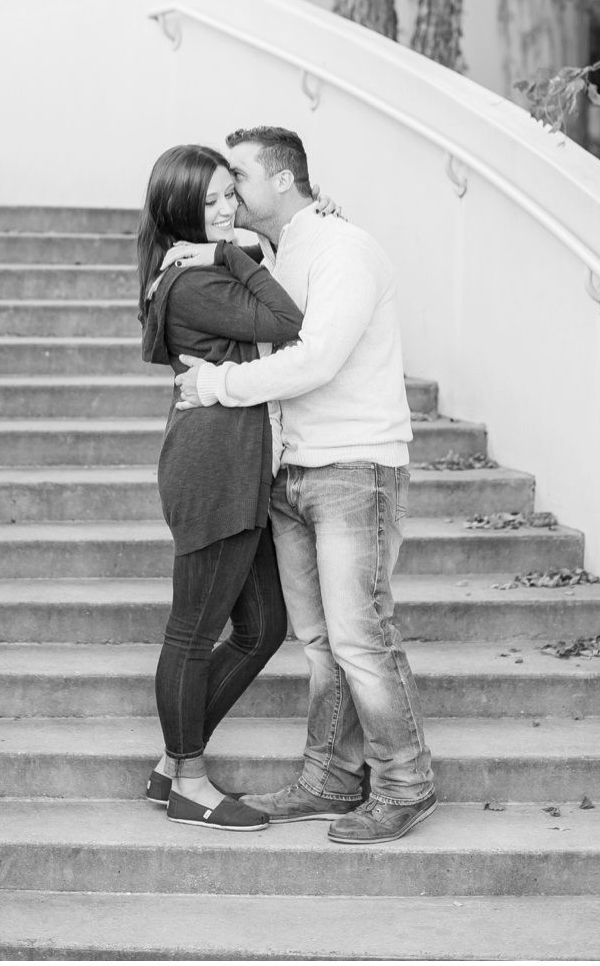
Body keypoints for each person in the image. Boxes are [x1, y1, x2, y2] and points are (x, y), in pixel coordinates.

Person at [173, 126, 435, 846]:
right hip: (292, 472)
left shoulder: (344, 249)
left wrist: (217, 383)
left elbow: (316, 358)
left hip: (354, 469)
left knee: (360, 637)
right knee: (322, 643)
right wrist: (214, 252)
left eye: (240, 176)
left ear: (283, 180)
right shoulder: (285, 251)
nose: (230, 190)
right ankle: (330, 777)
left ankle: (407, 783)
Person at [135, 144, 303, 832]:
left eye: (228, 194)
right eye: (206, 204)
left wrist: (227, 248)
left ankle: (174, 763)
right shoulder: (196, 282)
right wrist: (227, 253)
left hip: (231, 463)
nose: (225, 211)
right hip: (214, 468)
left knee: (262, 626)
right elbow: (288, 321)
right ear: (177, 212)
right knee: (194, 629)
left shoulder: (189, 272)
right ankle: (189, 781)